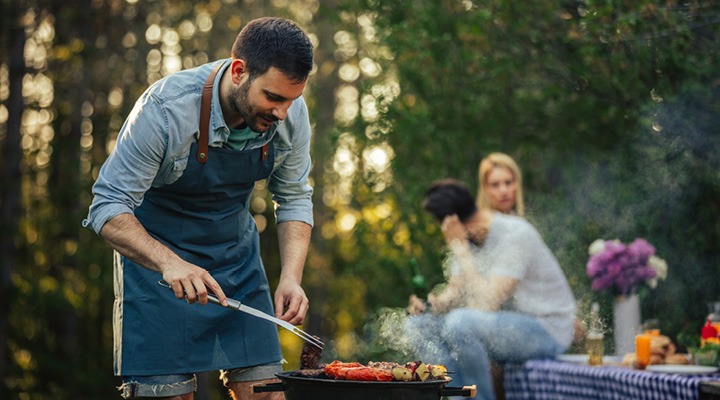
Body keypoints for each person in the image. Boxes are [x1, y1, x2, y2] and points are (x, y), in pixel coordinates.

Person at [83, 17, 314, 400]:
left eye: (291, 100)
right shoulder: (165, 110)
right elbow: (106, 206)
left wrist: (291, 276)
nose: (282, 113)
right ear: (239, 71)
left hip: (236, 265)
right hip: (157, 272)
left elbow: (293, 197)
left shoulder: (290, 114)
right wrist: (170, 263)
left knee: (268, 392)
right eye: (273, 98)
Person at [406, 179, 576, 400]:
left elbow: (487, 304)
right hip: (502, 328)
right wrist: (429, 306)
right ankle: (458, 397)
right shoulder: (468, 240)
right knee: (419, 327)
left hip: (547, 329)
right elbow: (454, 294)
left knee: (460, 324)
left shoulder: (515, 234)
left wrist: (459, 248)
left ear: (452, 222)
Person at [477, 152, 524, 217]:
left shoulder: (521, 223)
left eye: (508, 183)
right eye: (495, 185)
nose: (503, 191)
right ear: (485, 188)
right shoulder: (474, 226)